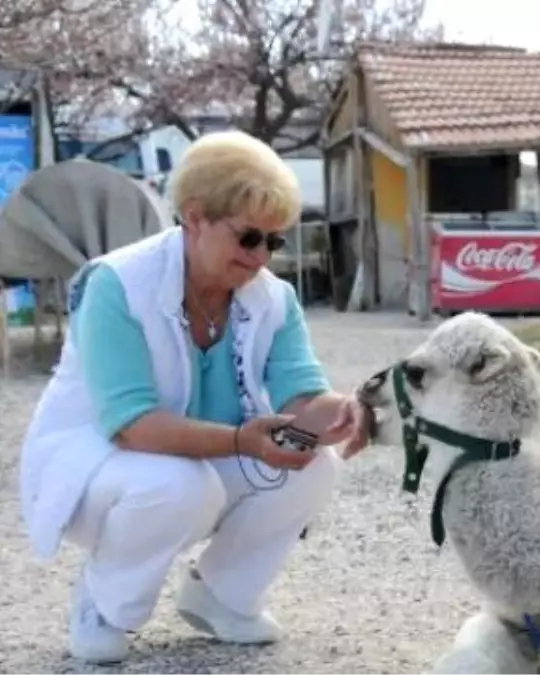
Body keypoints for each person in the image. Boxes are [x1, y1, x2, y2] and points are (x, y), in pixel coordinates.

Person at [18, 130, 369, 664]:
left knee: (314, 464)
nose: (261, 258)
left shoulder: (275, 298)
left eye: (274, 242)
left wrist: (346, 410)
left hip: (205, 464)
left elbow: (300, 399)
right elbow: (130, 423)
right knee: (181, 484)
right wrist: (241, 440)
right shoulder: (115, 283)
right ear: (194, 216)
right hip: (100, 468)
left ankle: (222, 596)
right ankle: (103, 600)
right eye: (250, 238)